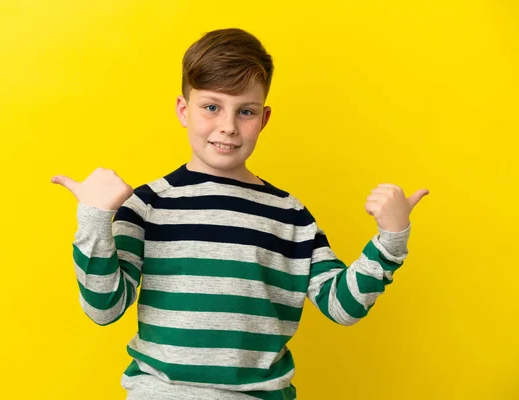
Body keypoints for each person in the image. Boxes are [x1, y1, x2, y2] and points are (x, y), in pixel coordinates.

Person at [51, 27, 429, 400]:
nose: (228, 127)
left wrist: (391, 241)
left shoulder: (290, 215)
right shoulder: (148, 205)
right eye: (211, 107)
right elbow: (104, 308)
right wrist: (95, 219)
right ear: (184, 110)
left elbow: (341, 306)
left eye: (244, 111)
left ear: (263, 119)